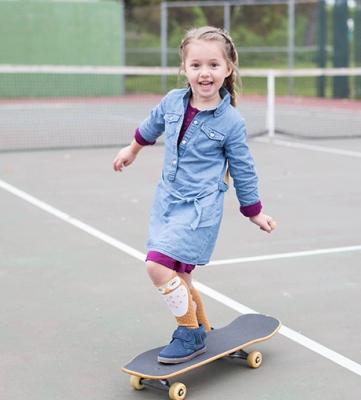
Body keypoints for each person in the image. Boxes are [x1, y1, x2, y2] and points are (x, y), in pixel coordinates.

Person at [113, 26, 276, 364]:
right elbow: (151, 125)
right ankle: (201, 325)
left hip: (200, 209)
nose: (205, 73)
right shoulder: (173, 101)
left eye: (214, 65)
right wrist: (132, 150)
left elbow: (243, 168)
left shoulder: (231, 121)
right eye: (196, 64)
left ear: (228, 69)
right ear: (185, 68)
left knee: (157, 266)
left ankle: (189, 336)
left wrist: (254, 211)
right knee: (181, 275)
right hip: (167, 202)